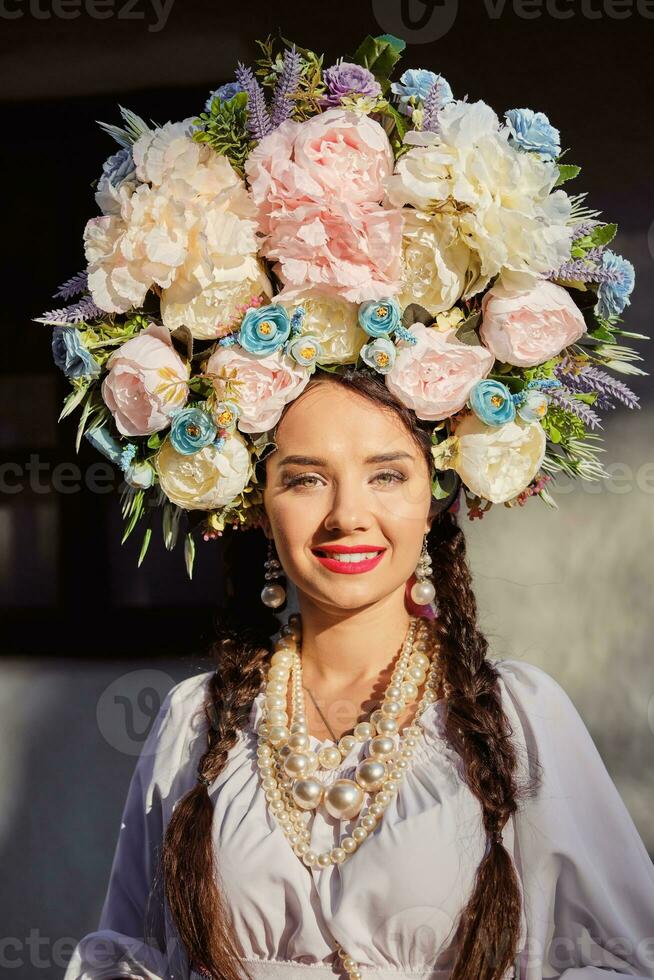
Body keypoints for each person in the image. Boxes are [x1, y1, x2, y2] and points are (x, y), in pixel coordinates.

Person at [63, 371, 654, 980]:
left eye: (388, 475)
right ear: (258, 506)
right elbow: (133, 952)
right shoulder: (198, 718)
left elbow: (622, 960)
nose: (347, 514)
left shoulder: (515, 714)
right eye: (305, 479)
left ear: (436, 497)